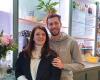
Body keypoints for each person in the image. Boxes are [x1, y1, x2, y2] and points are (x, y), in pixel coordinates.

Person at [46, 14, 84, 80]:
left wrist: (63, 65)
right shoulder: (45, 42)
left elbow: (80, 65)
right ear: (47, 26)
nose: (54, 26)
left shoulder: (72, 42)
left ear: (60, 24)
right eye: (51, 24)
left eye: (56, 23)